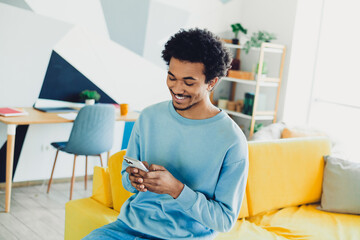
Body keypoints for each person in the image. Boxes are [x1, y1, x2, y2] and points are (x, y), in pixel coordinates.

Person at [84, 28, 248, 240]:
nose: (177, 89)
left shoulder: (231, 140)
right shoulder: (149, 117)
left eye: (189, 82)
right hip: (126, 229)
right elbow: (126, 179)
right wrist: (133, 179)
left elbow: (224, 220)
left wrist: (177, 190)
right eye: (171, 77)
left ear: (212, 82)